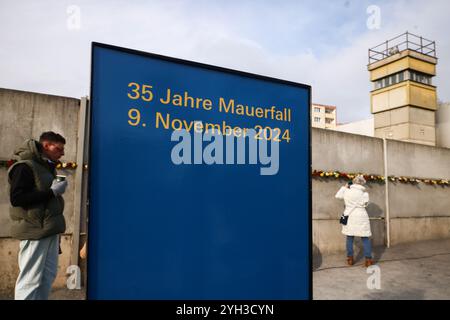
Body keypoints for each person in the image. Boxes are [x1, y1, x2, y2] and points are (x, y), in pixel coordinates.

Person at [8, 131, 68, 300]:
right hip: (35, 231)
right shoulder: (24, 166)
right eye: (59, 148)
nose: (62, 153)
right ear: (46, 145)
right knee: (30, 279)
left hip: (49, 230)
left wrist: (55, 189)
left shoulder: (46, 167)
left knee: (46, 277)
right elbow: (17, 198)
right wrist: (52, 192)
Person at [335, 174, 373, 267]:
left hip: (350, 216)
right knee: (365, 238)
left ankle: (350, 259)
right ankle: (368, 260)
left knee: (350, 237)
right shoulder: (365, 194)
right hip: (361, 216)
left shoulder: (347, 191)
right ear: (362, 183)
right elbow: (365, 204)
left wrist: (345, 187)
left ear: (353, 182)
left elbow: (337, 196)